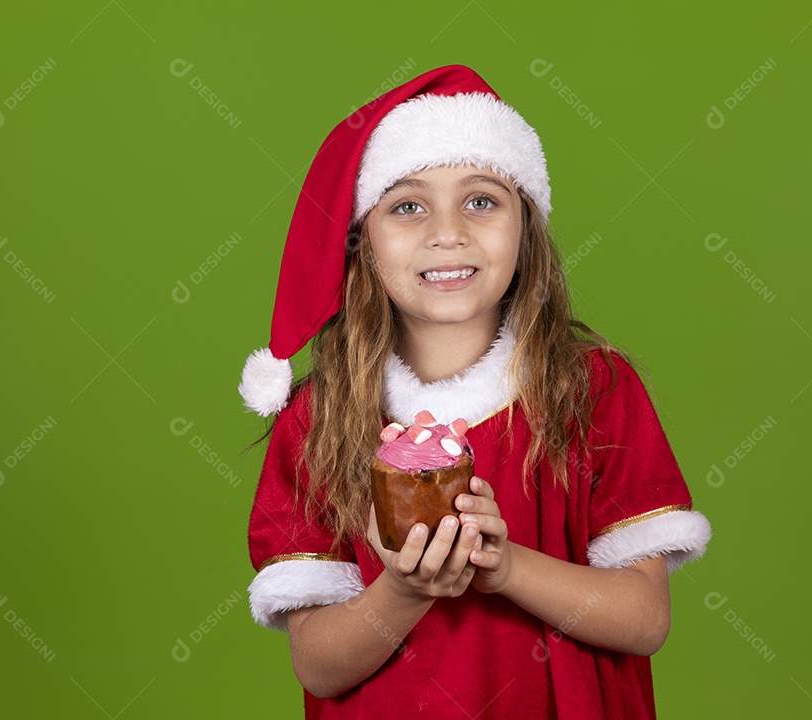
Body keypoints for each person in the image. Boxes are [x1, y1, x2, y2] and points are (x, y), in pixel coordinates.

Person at [238, 65, 712, 719]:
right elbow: (319, 667)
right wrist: (404, 590)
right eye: (407, 206)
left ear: (526, 225)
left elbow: (645, 619)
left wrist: (506, 566)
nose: (448, 232)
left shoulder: (594, 390)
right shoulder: (317, 421)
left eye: (481, 200)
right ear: (361, 240)